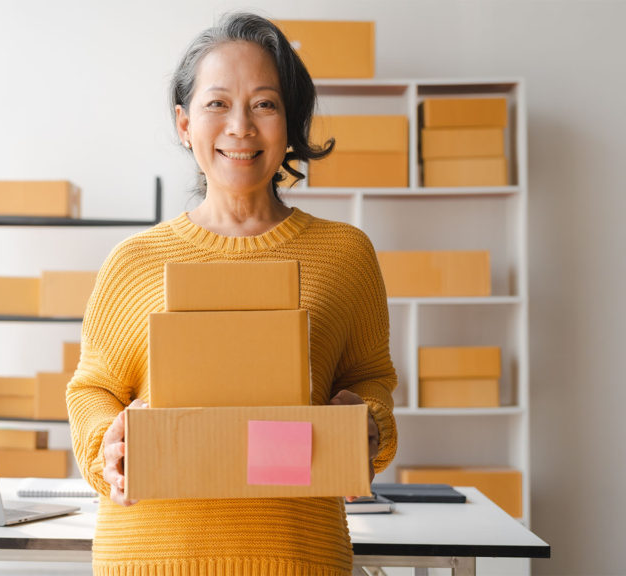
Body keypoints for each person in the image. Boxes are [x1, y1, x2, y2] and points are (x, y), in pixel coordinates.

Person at [66, 12, 397, 576]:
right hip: (151, 558)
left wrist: (367, 424)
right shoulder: (133, 261)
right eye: (217, 104)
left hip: (297, 556)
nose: (240, 126)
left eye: (264, 104)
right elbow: (92, 390)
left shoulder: (345, 254)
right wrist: (109, 446)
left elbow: (371, 380)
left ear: (290, 122)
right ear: (184, 123)